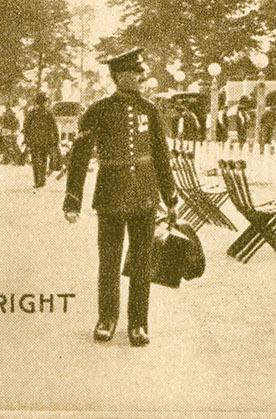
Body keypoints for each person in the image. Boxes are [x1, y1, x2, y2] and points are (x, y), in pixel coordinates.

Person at [63, 48, 177, 347]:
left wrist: (171, 195)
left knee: (142, 262)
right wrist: (72, 199)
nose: (138, 80)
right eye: (131, 75)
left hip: (145, 196)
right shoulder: (98, 110)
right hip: (110, 196)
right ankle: (107, 319)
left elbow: (161, 156)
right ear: (117, 78)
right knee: (109, 261)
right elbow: (79, 157)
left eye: (139, 75)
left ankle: (138, 324)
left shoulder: (150, 110)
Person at [23, 93, 60, 190]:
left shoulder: (32, 113)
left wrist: (27, 139)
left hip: (35, 140)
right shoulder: (48, 113)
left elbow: (26, 127)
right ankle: (42, 180)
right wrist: (56, 139)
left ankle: (38, 181)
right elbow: (54, 127)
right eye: (45, 101)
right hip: (45, 140)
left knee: (36, 161)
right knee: (43, 160)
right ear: (44, 101)